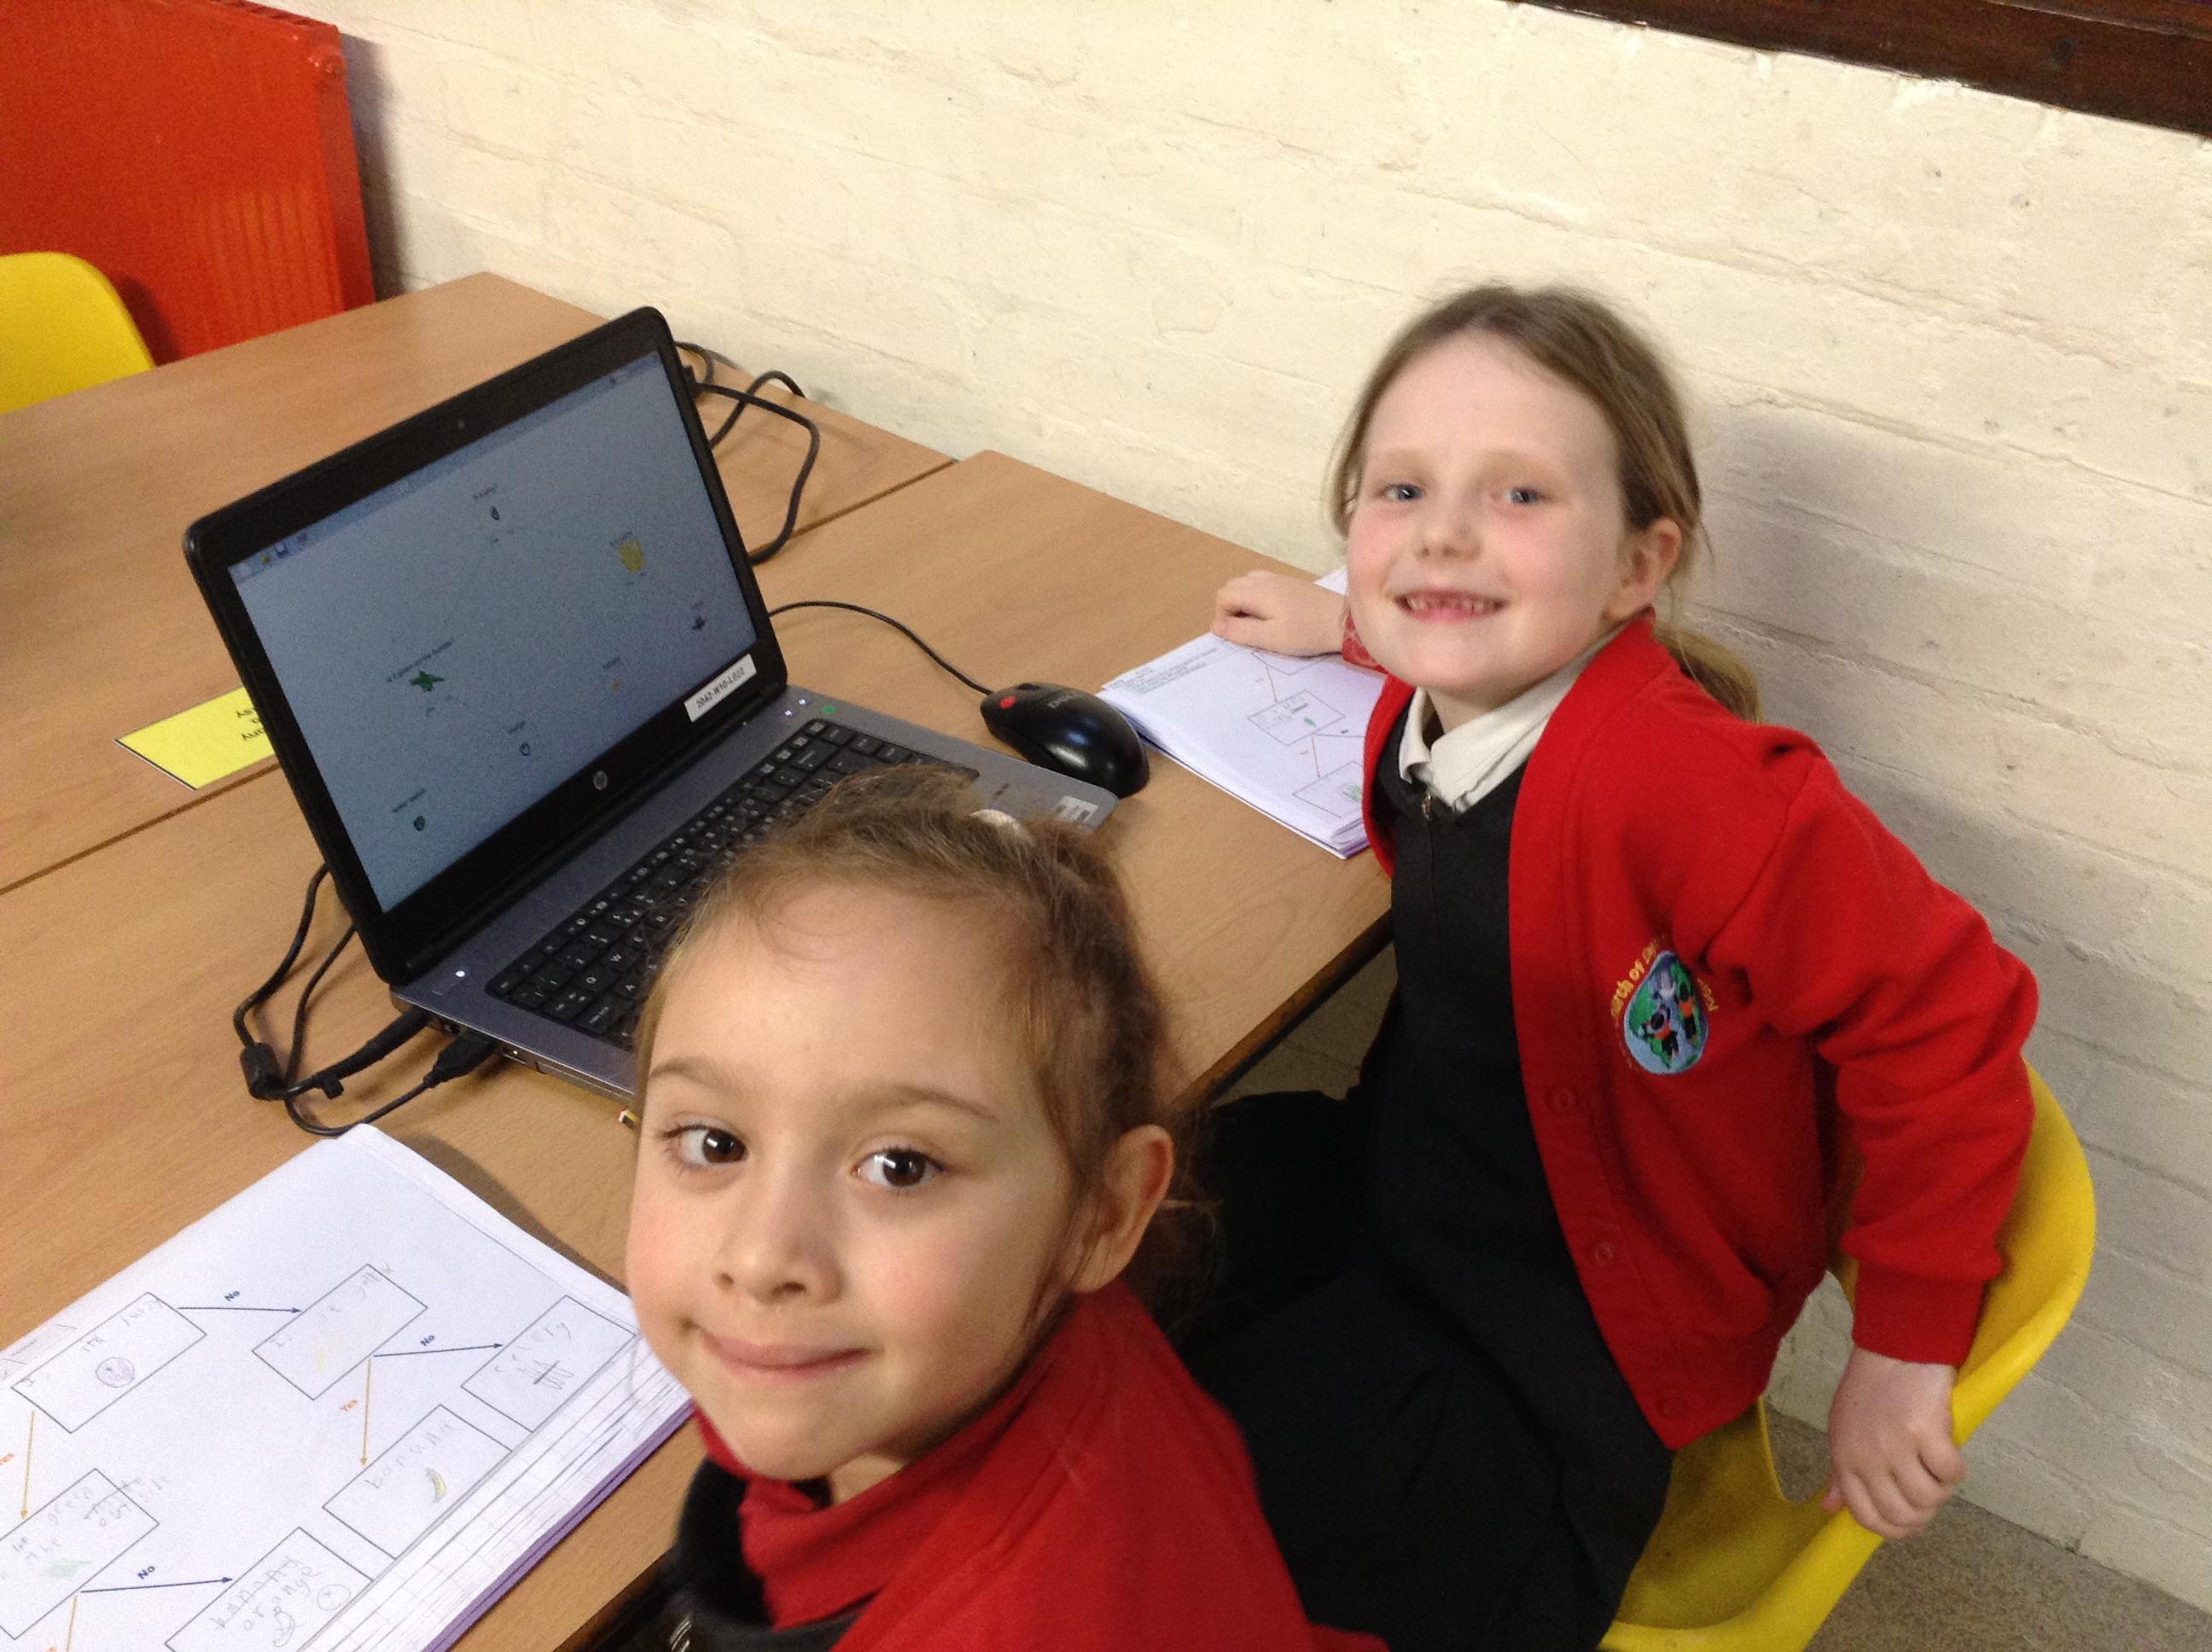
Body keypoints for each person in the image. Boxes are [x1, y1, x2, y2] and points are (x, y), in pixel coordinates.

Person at [1190, 284, 2039, 1650]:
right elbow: (1450, 619)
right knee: (1097, 1243)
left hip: (1566, 1328)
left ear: (1639, 568)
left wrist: (1908, 1340)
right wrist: (1344, 625)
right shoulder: (1436, 693)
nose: (1442, 532)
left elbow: (1949, 1020)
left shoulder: (1698, 796)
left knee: (1181, 1529)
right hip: (1420, 1174)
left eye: (1520, 495)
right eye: (1400, 490)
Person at [620, 766, 1383, 1652]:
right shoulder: (1004, 1330)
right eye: (715, 1143)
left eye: (900, 1167)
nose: (760, 1258)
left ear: (1103, 1214)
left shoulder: (1023, 1620)